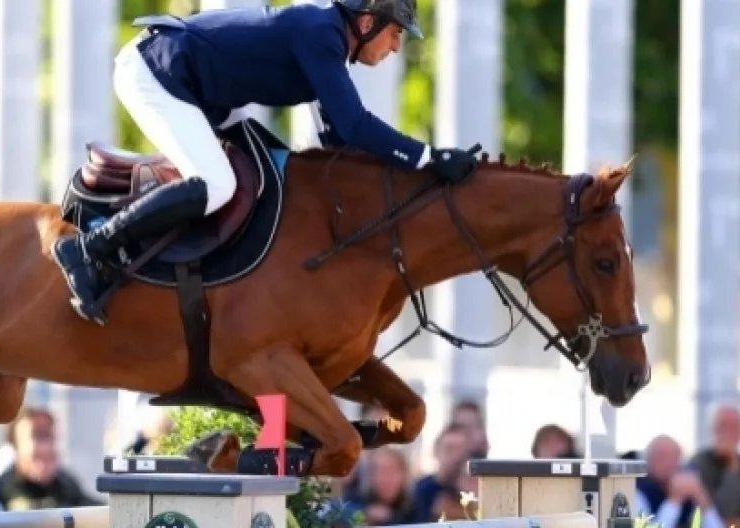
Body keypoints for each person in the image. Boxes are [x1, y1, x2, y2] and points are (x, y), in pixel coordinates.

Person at [51, 0, 480, 325]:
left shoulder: (327, 39)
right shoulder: (321, 34)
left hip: (196, 84)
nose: (397, 46)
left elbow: (334, 142)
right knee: (217, 184)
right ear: (367, 23)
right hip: (156, 71)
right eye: (395, 33)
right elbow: (354, 125)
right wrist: (429, 157)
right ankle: (89, 249)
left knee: (271, 169)